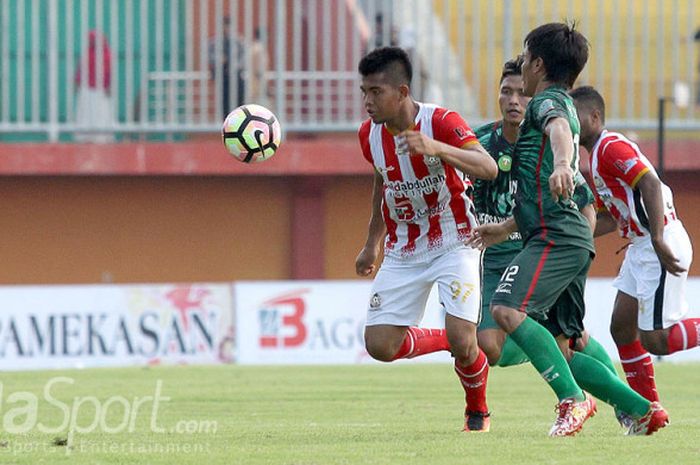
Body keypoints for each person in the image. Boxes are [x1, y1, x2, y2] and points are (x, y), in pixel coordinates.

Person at [469, 22, 668, 437]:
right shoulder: (552, 103)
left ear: (538, 64)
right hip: (563, 233)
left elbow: (560, 130)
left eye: (525, 59)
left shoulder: (546, 103)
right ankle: (642, 410)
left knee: (507, 310)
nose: (521, 70)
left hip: (555, 237)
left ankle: (572, 400)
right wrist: (504, 228)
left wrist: (563, 163)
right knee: (564, 345)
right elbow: (541, 186)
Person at [355, 46, 498, 433]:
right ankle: (448, 340)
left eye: (375, 92)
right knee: (380, 346)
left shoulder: (443, 122)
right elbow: (382, 181)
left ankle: (478, 411)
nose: (367, 101)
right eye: (364, 91)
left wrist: (437, 148)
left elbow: (488, 167)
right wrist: (373, 241)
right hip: (404, 248)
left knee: (466, 340)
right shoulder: (369, 135)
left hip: (456, 239)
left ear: (402, 92)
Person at [571, 85, 697, 403]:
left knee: (657, 340)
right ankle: (646, 409)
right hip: (641, 245)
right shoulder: (597, 156)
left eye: (575, 115)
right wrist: (572, 233)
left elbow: (651, 183)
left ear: (595, 116)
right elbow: (612, 218)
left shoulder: (610, 145)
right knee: (622, 326)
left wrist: (656, 237)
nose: (569, 123)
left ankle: (646, 407)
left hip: (657, 239)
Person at [74, 30, 115, 143]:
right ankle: (85, 137)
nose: (92, 42)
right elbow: (80, 70)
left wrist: (107, 86)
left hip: (100, 90)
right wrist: (77, 83)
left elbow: (108, 72)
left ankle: (100, 137)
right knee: (86, 113)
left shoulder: (106, 54)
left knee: (101, 113)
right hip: (87, 89)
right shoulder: (87, 53)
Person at [209, 16, 245, 117]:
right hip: (222, 76)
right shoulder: (214, 42)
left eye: (228, 26)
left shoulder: (238, 41)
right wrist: (220, 60)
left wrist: (234, 66)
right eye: (224, 26)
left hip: (236, 76)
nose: (226, 29)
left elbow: (244, 57)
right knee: (225, 103)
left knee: (239, 102)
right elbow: (210, 56)